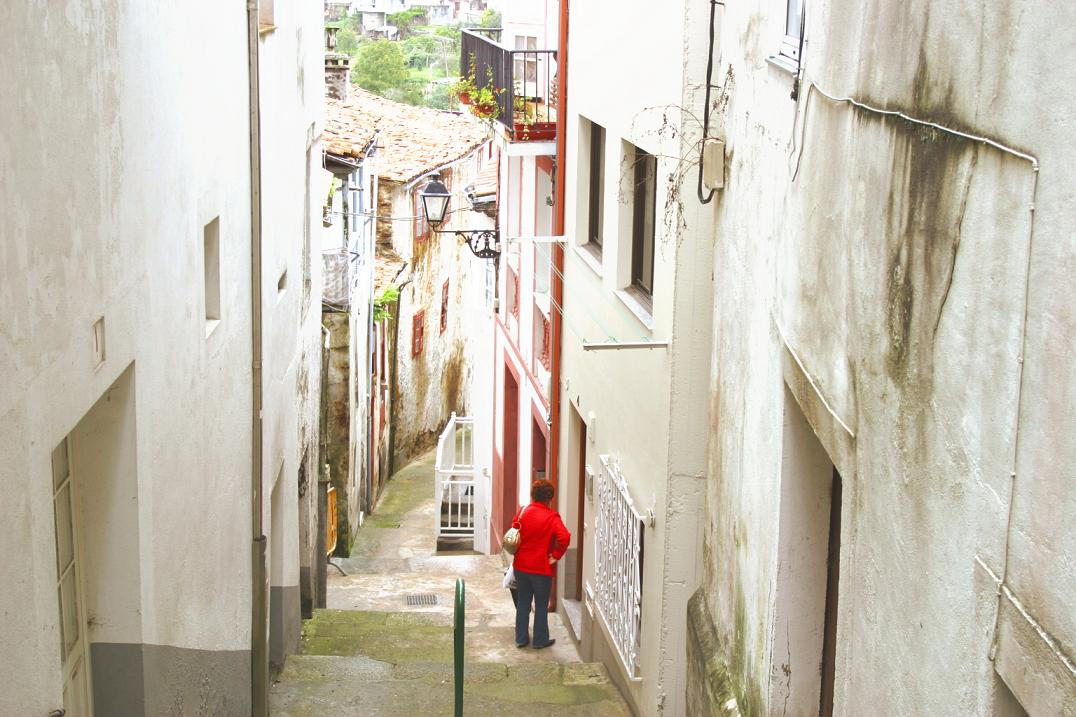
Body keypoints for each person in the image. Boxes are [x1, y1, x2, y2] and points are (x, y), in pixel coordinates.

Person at [508, 479, 570, 649]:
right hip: (541, 569)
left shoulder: (523, 511)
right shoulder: (552, 517)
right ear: (550, 497)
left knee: (523, 602)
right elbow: (564, 537)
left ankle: (521, 638)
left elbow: (514, 530)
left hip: (521, 566)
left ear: (533, 495)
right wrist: (556, 555)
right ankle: (540, 640)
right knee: (541, 605)